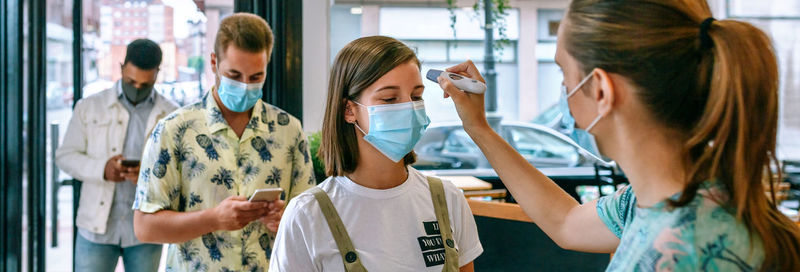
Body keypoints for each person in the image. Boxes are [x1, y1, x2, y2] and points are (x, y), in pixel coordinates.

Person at [436, 0, 800, 271]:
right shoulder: (659, 201)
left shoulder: (676, 254)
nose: (563, 89)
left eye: (564, 71)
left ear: (601, 91)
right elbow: (566, 221)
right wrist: (478, 128)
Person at [269, 36, 483, 272]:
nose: (408, 108)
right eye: (389, 99)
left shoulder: (447, 199)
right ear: (349, 110)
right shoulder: (307, 214)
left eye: (416, 97)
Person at [132, 13, 315, 271]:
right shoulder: (174, 130)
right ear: (214, 62)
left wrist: (286, 219)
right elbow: (145, 227)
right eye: (234, 75)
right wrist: (214, 219)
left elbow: (311, 222)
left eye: (255, 78)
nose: (244, 86)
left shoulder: (289, 130)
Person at [55, 38, 178, 272]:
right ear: (122, 68)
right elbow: (65, 156)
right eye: (131, 81)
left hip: (145, 232)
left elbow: (180, 171)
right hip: (96, 230)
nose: (137, 89)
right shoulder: (89, 106)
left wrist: (149, 173)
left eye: (145, 84)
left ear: (157, 74)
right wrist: (102, 169)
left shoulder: (171, 114)